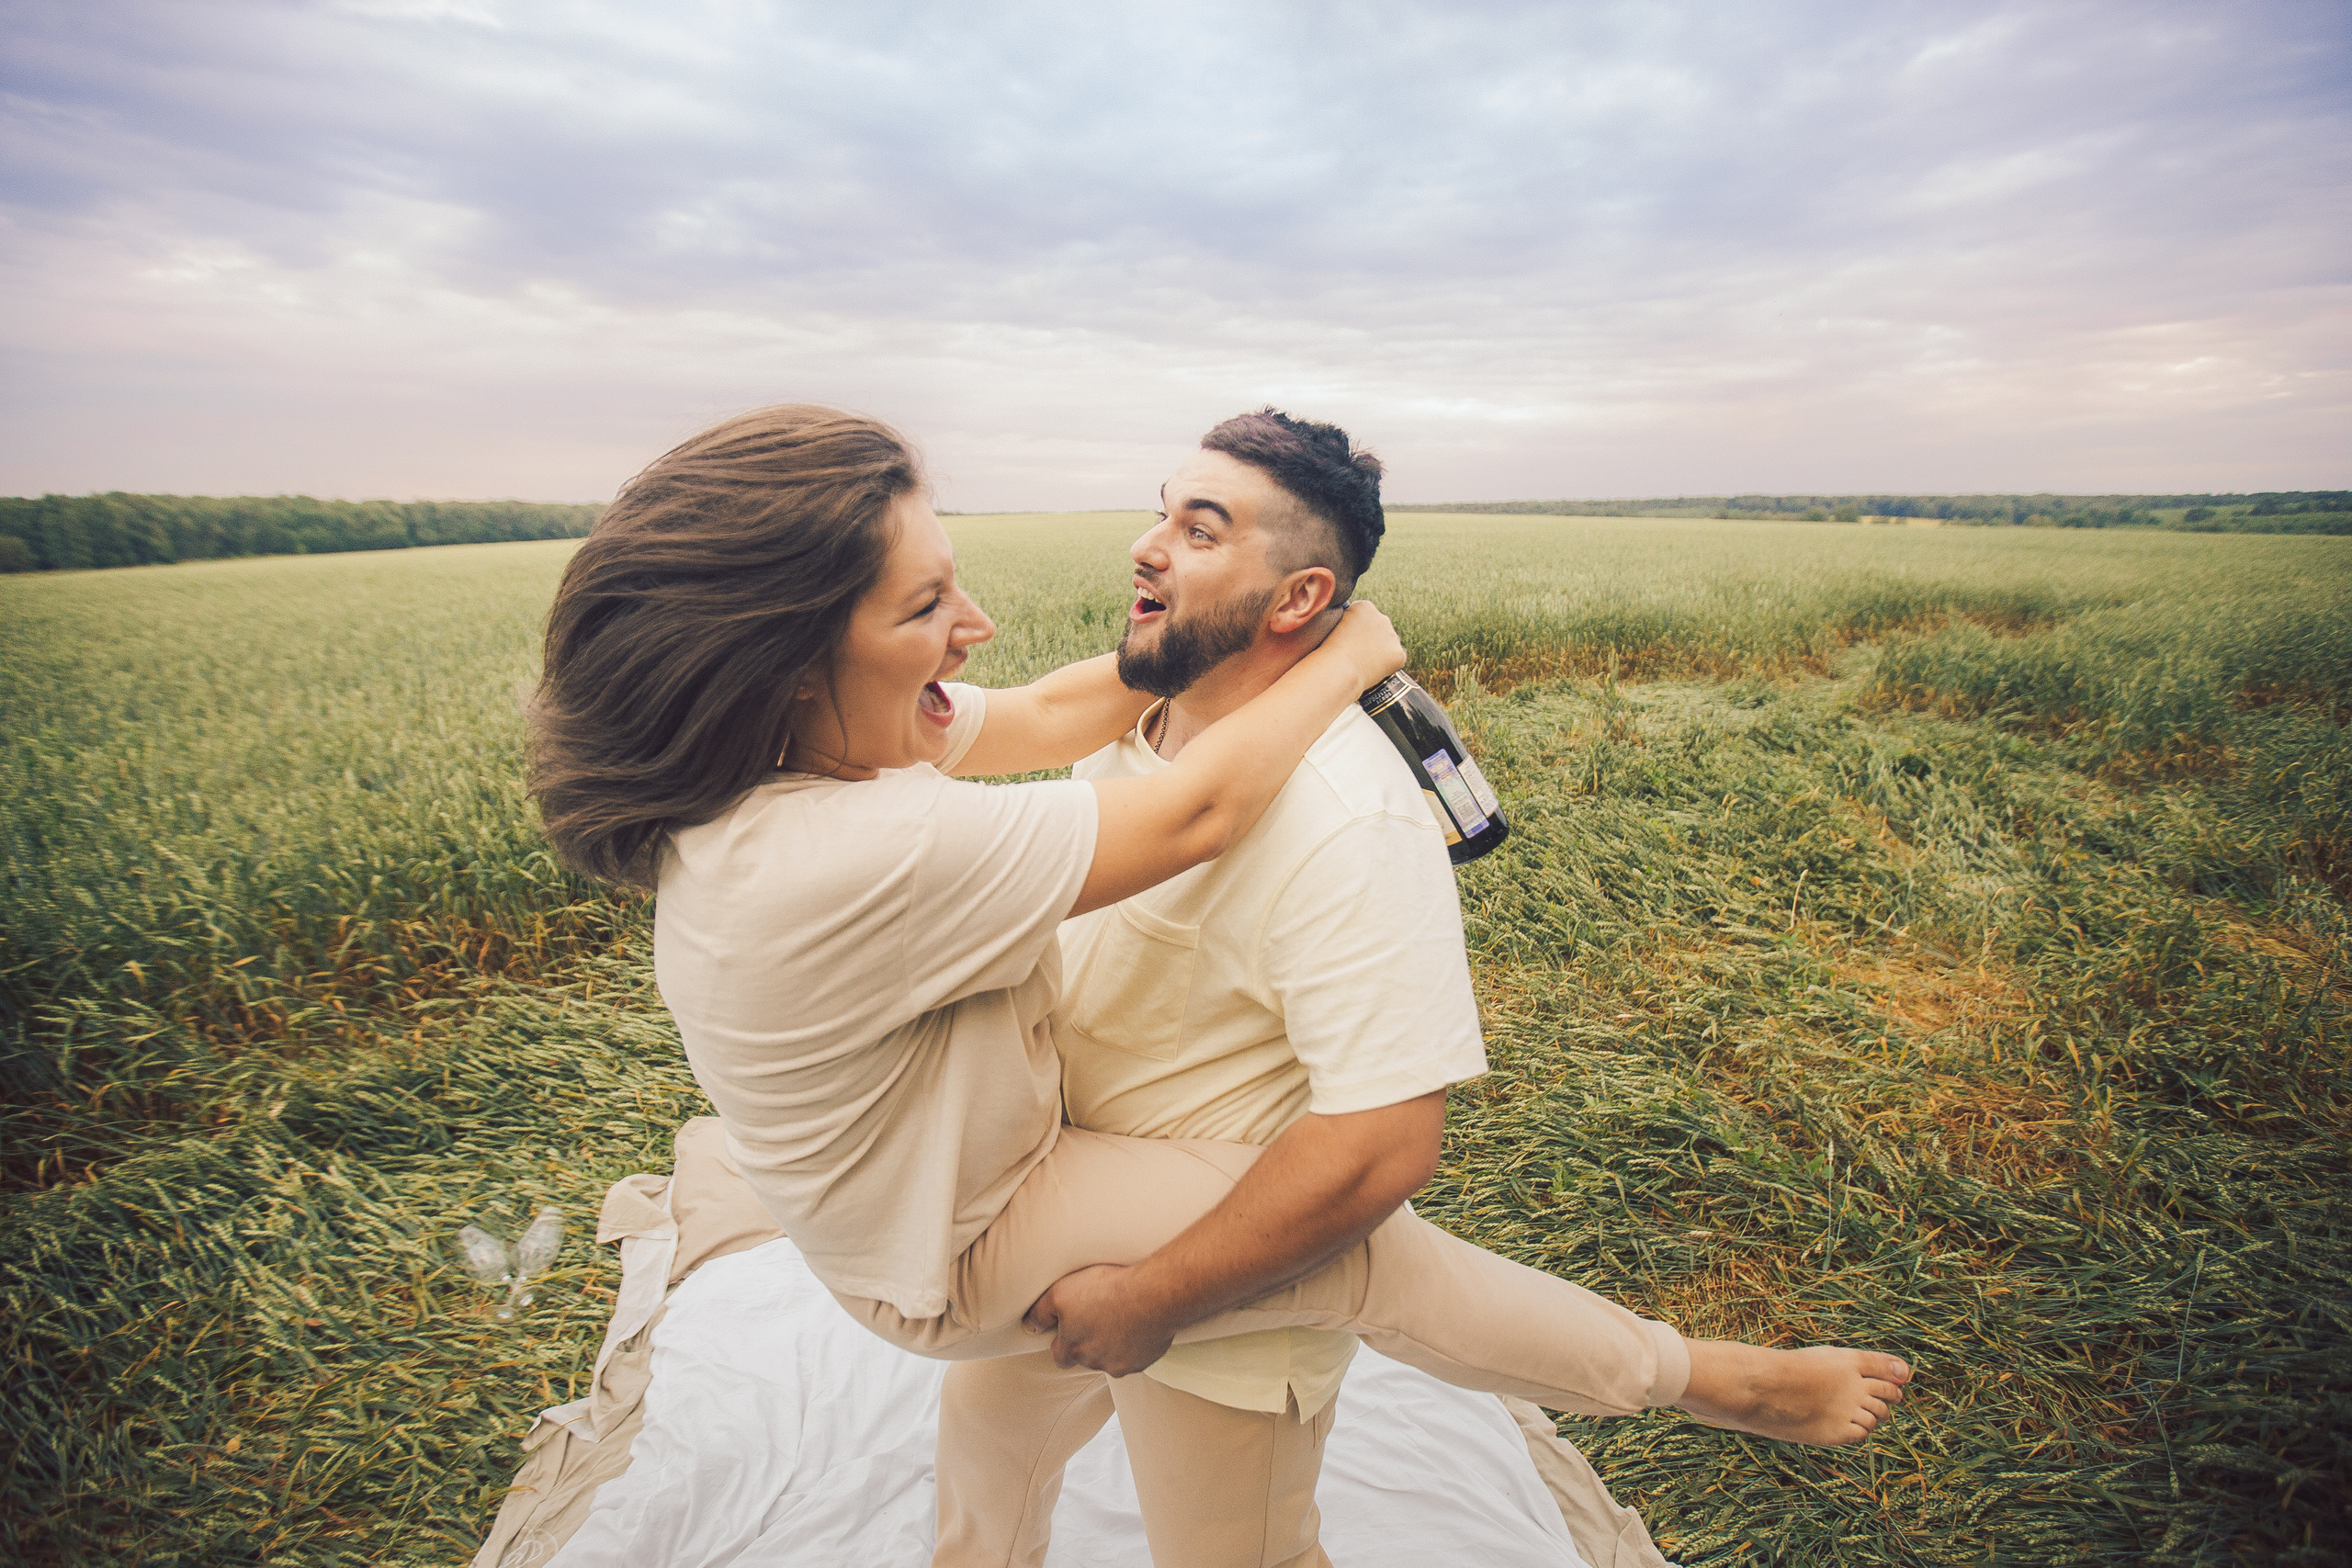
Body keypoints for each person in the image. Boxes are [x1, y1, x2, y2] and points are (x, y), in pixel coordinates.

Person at [526, 405, 1911, 1558]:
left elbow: (1376, 1140)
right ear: (796, 654)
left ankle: (1706, 1381)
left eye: (1200, 526)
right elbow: (1188, 816)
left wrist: (1164, 1290)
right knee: (1345, 1291)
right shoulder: (856, 835)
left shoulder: (814, 748)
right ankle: (1705, 1374)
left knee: (1032, 1493)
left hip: (1036, 1198)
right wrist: (1355, 652)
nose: (979, 626)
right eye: (928, 602)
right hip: (983, 1224)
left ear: (1293, 593)